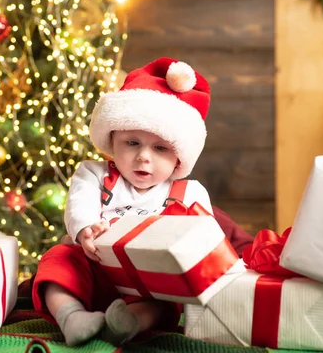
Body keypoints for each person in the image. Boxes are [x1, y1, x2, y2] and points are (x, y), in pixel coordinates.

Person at [31, 57, 254, 346]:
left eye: (160, 148)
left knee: (165, 301)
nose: (144, 157)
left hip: (147, 281)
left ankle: (129, 322)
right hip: (95, 266)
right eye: (132, 143)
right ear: (113, 141)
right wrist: (85, 228)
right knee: (58, 259)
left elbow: (206, 240)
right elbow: (79, 204)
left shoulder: (189, 192)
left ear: (179, 158)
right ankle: (71, 316)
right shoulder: (94, 174)